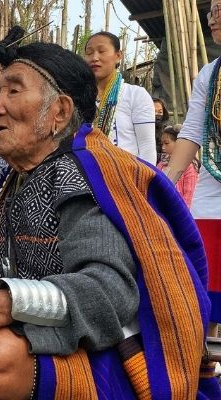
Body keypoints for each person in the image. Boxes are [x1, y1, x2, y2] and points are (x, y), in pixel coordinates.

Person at [0, 27, 218, 399]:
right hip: (36, 330)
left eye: (13, 91)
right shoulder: (12, 179)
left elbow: (108, 292)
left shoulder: (80, 174)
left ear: (59, 112)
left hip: (100, 354)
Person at [166, 0, 221, 338]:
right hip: (212, 192)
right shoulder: (210, 74)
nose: (213, 17)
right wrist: (167, 179)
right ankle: (206, 365)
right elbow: (192, 131)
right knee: (208, 282)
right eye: (212, 10)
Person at [84, 31, 157, 164]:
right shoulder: (79, 97)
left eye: (101, 51)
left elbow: (147, 146)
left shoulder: (135, 95)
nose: (94, 57)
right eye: (89, 53)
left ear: (118, 56)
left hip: (127, 175)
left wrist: (146, 182)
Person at [157, 124, 198, 207]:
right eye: (162, 144)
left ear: (179, 143)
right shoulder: (161, 165)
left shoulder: (188, 166)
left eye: (167, 143)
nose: (163, 147)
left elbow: (189, 194)